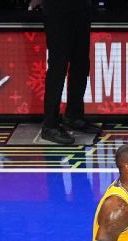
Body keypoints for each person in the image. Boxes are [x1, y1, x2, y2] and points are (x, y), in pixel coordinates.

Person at [29, 0, 101, 146]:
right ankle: (50, 125)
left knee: (81, 63)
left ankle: (74, 116)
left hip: (81, 8)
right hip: (57, 10)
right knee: (58, 67)